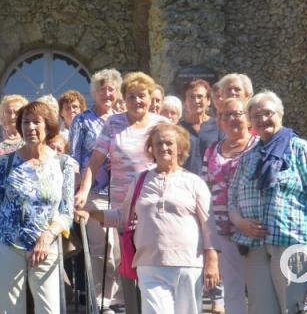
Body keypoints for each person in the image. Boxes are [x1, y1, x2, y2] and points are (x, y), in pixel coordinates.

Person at [78, 124, 219, 314]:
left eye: (169, 143)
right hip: (149, 264)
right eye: (158, 143)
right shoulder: (140, 180)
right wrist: (91, 213)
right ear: (151, 149)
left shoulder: (194, 182)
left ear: (180, 148)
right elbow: (122, 216)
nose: (164, 147)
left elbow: (209, 225)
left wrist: (212, 260)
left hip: (188, 264)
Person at [229, 91, 307, 314]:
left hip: (291, 242)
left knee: (293, 308)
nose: (262, 119)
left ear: (280, 114)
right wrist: (240, 223)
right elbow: (232, 199)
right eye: (256, 115)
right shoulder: (248, 157)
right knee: (260, 310)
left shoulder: (300, 149)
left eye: (268, 113)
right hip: (254, 246)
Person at [75, 71, 168, 312]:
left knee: (151, 261)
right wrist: (84, 191)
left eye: (142, 96)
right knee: (125, 260)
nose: (137, 101)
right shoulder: (113, 123)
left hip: (154, 205)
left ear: (151, 97)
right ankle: (130, 306)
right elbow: (94, 162)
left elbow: (173, 162)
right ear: (123, 99)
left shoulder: (161, 125)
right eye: (131, 96)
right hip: (122, 207)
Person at [0, 101, 75, 314]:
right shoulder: (5, 163)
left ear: (48, 126)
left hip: (45, 247)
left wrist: (47, 237)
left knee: (49, 310)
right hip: (7, 245)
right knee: (10, 310)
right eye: (25, 122)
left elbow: (66, 212)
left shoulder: (63, 164)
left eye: (36, 122)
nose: (31, 127)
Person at [68, 68, 123, 313]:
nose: (107, 93)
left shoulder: (122, 119)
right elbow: (73, 157)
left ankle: (121, 298)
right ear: (94, 92)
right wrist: (77, 190)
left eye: (111, 89)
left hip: (121, 192)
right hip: (93, 192)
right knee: (101, 249)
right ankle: (101, 300)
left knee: (120, 250)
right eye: (102, 89)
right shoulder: (82, 120)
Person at [204, 97, 257, 314]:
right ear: (220, 121)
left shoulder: (258, 146)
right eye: (226, 115)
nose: (232, 119)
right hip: (222, 230)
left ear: (248, 119)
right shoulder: (212, 150)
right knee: (232, 289)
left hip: (252, 229)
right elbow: (204, 187)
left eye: (237, 113)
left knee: (258, 288)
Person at [180, 79, 221, 176]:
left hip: (212, 181)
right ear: (185, 101)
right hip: (185, 181)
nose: (196, 101)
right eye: (191, 97)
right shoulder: (178, 129)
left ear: (208, 101)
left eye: (200, 96)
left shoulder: (219, 126)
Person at [0, 94, 29, 174]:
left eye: (17, 112)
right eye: (9, 112)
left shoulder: (29, 139)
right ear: (3, 115)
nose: (12, 116)